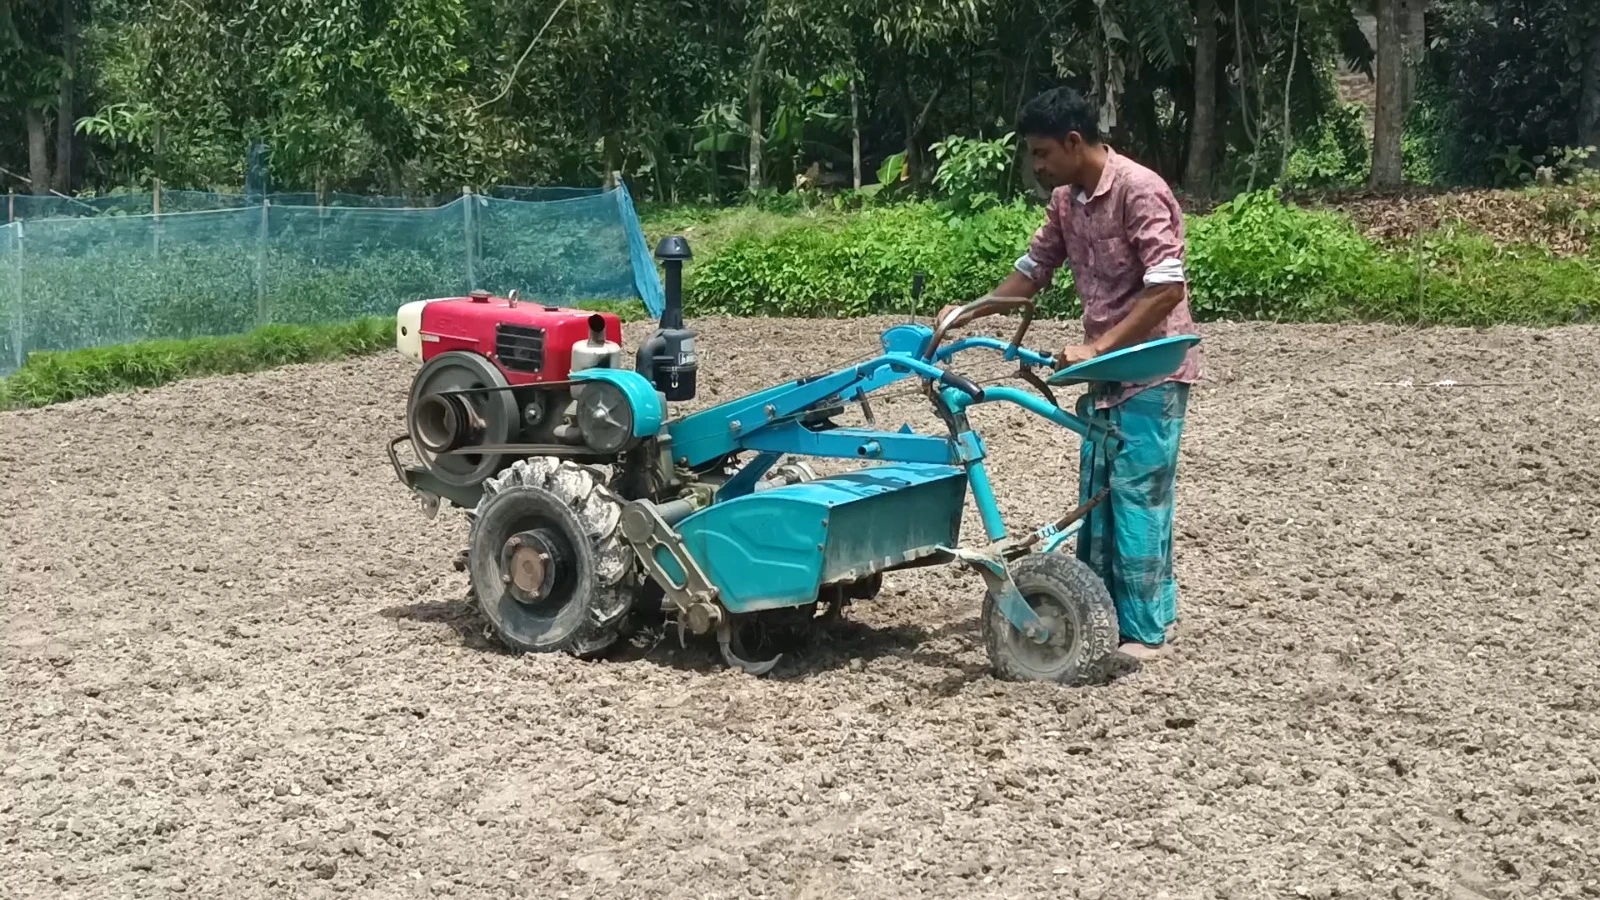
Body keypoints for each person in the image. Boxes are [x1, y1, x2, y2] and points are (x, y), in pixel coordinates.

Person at [938, 86, 1202, 661]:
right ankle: (1106, 614)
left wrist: (1096, 345)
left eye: (1041, 153)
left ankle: (1147, 631)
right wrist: (967, 314)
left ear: (1074, 142)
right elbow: (1032, 273)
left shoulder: (1140, 190)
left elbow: (1166, 290)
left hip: (1153, 365)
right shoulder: (1066, 201)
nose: (1037, 166)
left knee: (1138, 496)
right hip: (1107, 368)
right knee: (1099, 495)